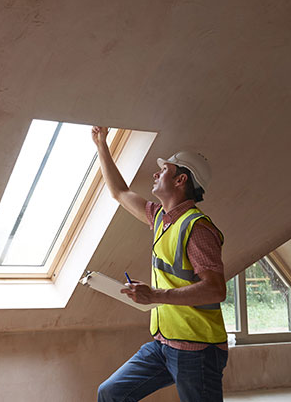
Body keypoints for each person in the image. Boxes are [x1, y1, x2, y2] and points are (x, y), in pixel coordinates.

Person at [91, 126, 229, 402]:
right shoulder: (160, 220)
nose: (155, 174)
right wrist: (101, 145)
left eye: (163, 170)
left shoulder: (197, 228)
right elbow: (119, 192)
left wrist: (154, 295)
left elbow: (215, 290)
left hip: (198, 349)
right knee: (110, 394)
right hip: (163, 344)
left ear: (180, 180)